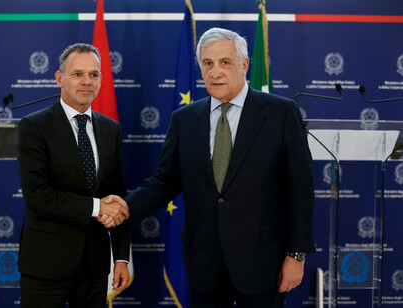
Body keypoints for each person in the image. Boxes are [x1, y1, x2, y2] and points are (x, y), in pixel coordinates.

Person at [123, 28, 315, 307]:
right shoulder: (184, 118)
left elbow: (300, 188)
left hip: (263, 262)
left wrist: (296, 255)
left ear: (244, 65)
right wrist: (126, 207)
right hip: (205, 262)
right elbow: (166, 180)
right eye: (207, 64)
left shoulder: (281, 113)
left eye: (225, 62)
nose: (215, 72)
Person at [17, 43, 130, 308]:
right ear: (60, 78)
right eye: (78, 74)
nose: (86, 82)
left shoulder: (110, 129)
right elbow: (37, 196)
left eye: (94, 74)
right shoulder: (34, 126)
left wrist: (121, 257)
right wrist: (97, 206)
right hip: (46, 264)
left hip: (95, 265)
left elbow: (118, 196)